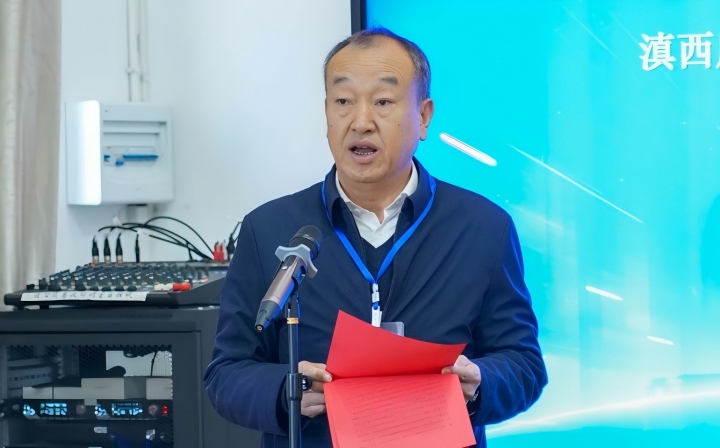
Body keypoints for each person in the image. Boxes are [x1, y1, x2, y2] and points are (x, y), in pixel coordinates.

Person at [204, 27, 547, 448]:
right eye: (343, 101)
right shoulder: (270, 229)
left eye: (383, 102)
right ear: (326, 113)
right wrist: (286, 390)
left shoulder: (483, 227)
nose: (360, 121)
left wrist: (481, 382)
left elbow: (524, 365)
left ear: (423, 116)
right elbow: (226, 373)